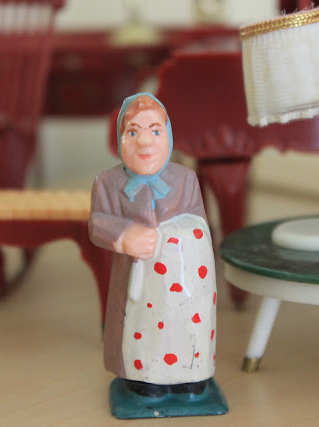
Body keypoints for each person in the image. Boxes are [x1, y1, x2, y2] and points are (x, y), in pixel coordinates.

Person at [89, 93, 218, 399]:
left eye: (155, 131)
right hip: (135, 284)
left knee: (185, 325)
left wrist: (174, 235)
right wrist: (125, 235)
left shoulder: (185, 179)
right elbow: (96, 223)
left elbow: (199, 221)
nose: (145, 142)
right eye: (133, 132)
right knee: (138, 332)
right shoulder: (107, 183)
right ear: (120, 139)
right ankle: (143, 376)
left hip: (183, 282)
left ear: (168, 135)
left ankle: (190, 372)